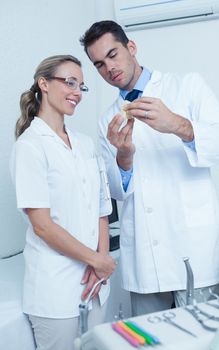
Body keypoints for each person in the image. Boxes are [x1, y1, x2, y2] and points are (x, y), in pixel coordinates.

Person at [80, 20, 219, 316]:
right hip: (145, 256)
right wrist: (124, 156)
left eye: (113, 55)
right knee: (149, 343)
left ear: (131, 47)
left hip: (194, 247)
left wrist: (178, 124)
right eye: (99, 64)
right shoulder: (107, 120)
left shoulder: (186, 85)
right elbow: (114, 191)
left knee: (203, 338)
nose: (109, 68)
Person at [10, 54, 116, 350]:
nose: (76, 93)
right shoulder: (30, 146)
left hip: (95, 284)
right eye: (69, 82)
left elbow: (101, 207)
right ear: (43, 83)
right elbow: (42, 226)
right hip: (55, 291)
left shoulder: (85, 144)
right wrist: (96, 260)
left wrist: (102, 262)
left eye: (81, 86)